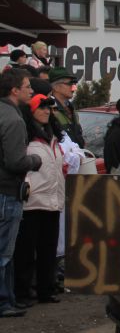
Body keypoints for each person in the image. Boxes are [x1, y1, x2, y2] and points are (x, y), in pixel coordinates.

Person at [13, 94, 64, 305]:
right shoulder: (26, 136)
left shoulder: (52, 136)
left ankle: (46, 289)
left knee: (48, 249)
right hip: (32, 201)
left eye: (48, 108)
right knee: (26, 252)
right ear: (31, 111)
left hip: (53, 200)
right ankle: (22, 293)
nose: (45, 111)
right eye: (41, 108)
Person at [0, 68, 41, 317]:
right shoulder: (13, 120)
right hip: (7, 191)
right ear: (15, 90)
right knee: (5, 252)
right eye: (27, 86)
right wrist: (35, 160)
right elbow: (16, 161)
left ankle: (10, 298)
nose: (31, 90)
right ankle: (4, 301)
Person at [48, 67, 84, 148]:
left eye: (74, 84)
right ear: (56, 87)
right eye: (70, 84)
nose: (74, 88)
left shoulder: (71, 108)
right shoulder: (50, 110)